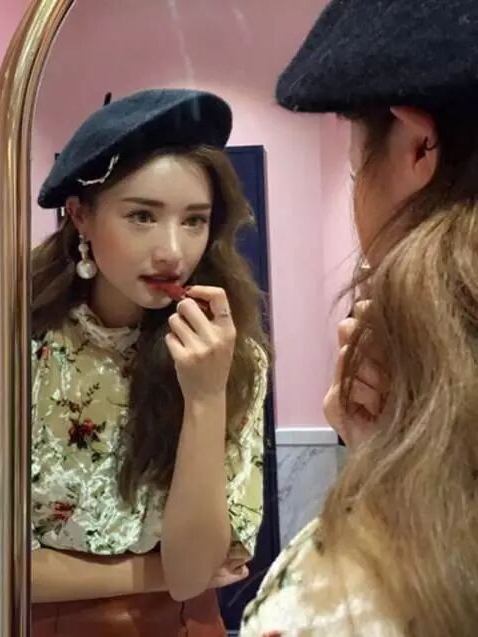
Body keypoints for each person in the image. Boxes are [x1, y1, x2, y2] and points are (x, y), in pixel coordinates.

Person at [240, 1, 478, 636]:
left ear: (418, 145)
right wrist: (395, 449)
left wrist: (378, 480)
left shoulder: (341, 592)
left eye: (354, 171)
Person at [29, 88, 270, 637]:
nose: (172, 251)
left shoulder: (233, 358)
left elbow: (194, 575)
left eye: (194, 220)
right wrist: (153, 573)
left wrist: (205, 396)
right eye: (142, 215)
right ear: (80, 216)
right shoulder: (23, 349)